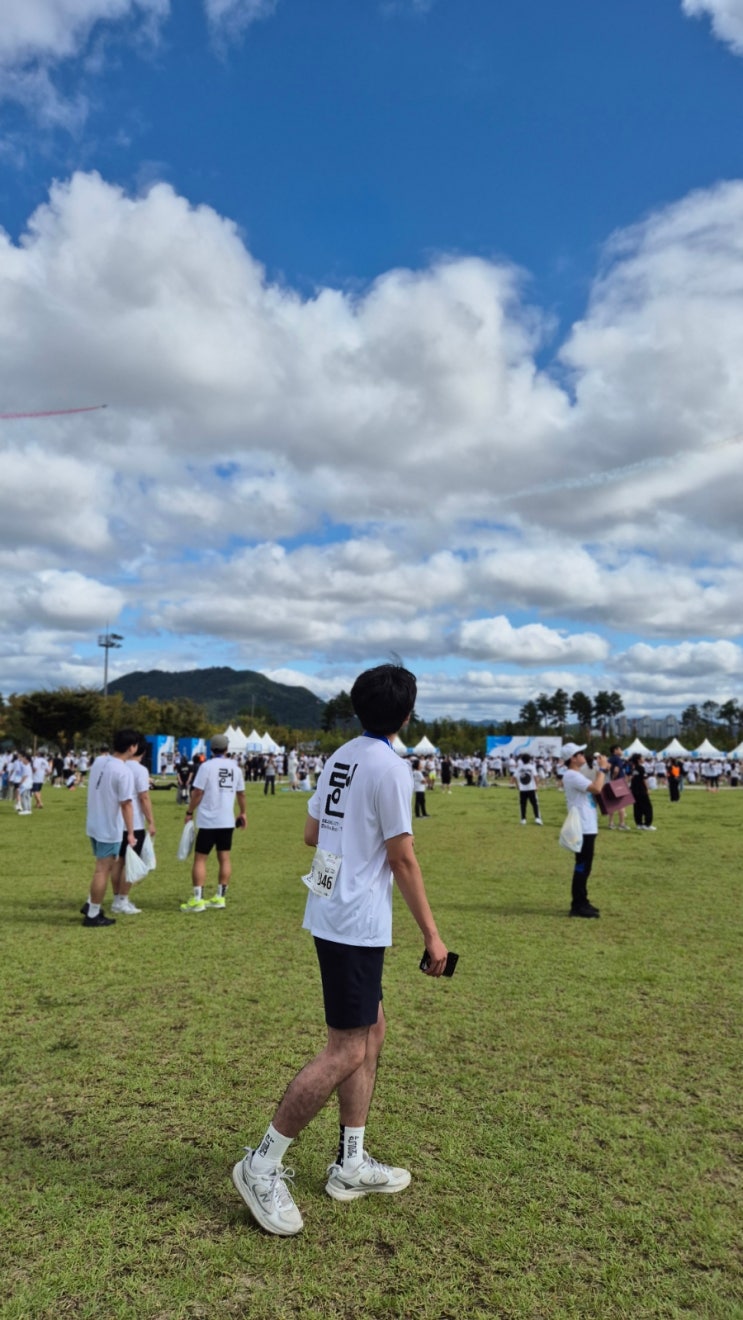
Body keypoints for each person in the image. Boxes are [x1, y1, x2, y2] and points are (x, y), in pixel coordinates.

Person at [231, 663, 449, 1237]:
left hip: (333, 909)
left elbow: (311, 834)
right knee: (347, 1049)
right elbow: (402, 857)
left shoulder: (340, 756)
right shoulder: (391, 768)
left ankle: (351, 1162)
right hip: (355, 918)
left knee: (371, 1031)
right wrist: (432, 934)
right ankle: (262, 1164)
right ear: (408, 715)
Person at [180, 735, 246, 912]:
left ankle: (198, 899)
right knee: (224, 858)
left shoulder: (206, 766)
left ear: (211, 749)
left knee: (200, 859)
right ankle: (220, 897)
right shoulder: (235, 768)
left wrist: (189, 811)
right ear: (227, 748)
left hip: (208, 820)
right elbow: (241, 793)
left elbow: (198, 792)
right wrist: (243, 812)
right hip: (227, 820)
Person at [81, 730, 140, 928]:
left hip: (94, 823)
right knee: (102, 869)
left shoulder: (100, 761)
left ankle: (90, 904)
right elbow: (126, 804)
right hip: (109, 827)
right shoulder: (124, 771)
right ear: (132, 747)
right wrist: (131, 832)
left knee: (103, 866)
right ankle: (93, 914)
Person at [561, 743, 609, 918]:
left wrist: (602, 773)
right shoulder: (572, 775)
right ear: (573, 758)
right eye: (580, 753)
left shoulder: (576, 775)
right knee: (582, 866)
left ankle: (582, 901)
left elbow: (597, 790)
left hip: (588, 825)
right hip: (583, 827)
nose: (584, 756)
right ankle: (578, 905)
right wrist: (602, 770)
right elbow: (596, 788)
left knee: (585, 866)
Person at [111, 736, 157, 914]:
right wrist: (151, 821)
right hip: (134, 822)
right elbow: (143, 797)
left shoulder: (117, 766)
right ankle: (123, 900)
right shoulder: (140, 770)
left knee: (119, 861)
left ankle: (117, 898)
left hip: (116, 821)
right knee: (131, 862)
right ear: (142, 751)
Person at [511, 754, 542, 824]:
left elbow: (514, 777)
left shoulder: (519, 768)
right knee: (534, 804)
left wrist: (517, 785)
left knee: (523, 804)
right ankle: (537, 818)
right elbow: (535, 777)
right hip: (531, 788)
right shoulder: (532, 767)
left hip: (522, 789)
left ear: (522, 760)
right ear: (529, 760)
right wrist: (537, 786)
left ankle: (523, 819)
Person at [606, 745, 630, 831]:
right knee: (621, 804)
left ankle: (611, 823)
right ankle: (621, 824)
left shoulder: (610, 759)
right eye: (620, 749)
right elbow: (616, 770)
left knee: (613, 803)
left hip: (612, 782)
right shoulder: (617, 759)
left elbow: (608, 768)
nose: (621, 750)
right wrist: (614, 778)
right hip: (618, 782)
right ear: (615, 750)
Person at [629, 754, 655, 830]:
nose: (643, 759)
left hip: (634, 791)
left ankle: (639, 824)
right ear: (638, 760)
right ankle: (647, 824)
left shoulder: (634, 768)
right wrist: (647, 789)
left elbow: (632, 779)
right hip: (641, 790)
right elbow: (644, 780)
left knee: (637, 807)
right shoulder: (641, 768)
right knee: (648, 807)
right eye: (642, 757)